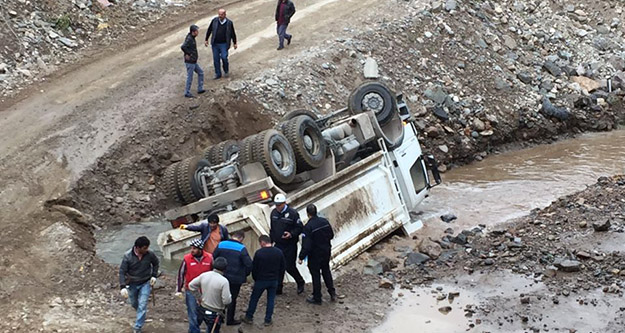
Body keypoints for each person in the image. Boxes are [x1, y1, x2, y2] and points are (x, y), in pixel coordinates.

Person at [242, 235, 285, 326]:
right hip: (273, 280)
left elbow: (255, 268)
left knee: (254, 299)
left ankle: (249, 317)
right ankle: (268, 320)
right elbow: (282, 267)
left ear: (262, 242)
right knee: (271, 300)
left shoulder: (259, 253)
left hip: (261, 280)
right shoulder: (279, 252)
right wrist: (278, 278)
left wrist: (255, 278)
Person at [119, 236, 160, 333]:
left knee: (142, 304)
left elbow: (156, 263)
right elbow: (122, 271)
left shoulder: (150, 254)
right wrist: (122, 286)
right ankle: (141, 314)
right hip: (132, 283)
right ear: (138, 247)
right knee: (134, 303)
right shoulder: (127, 256)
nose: (147, 250)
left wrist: (154, 275)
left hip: (145, 282)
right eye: (145, 248)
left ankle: (137, 328)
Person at [298, 204, 336, 305]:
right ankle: (332, 292)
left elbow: (307, 245)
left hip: (315, 255)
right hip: (326, 251)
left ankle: (317, 297)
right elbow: (331, 235)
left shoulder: (308, 227)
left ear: (307, 214)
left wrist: (301, 257)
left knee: (315, 275)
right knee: (326, 271)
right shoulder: (324, 221)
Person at [212, 231, 253, 326]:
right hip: (236, 279)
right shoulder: (242, 248)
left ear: (232, 236)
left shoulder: (221, 244)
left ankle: (219, 318)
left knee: (219, 296)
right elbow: (249, 264)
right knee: (232, 298)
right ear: (242, 238)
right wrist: (245, 275)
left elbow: (213, 258)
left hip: (220, 276)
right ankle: (230, 320)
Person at [269, 193, 305, 294]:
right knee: (278, 266)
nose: (278, 207)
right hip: (278, 244)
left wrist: (291, 234)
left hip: (290, 245)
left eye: (279, 205)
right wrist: (270, 241)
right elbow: (272, 229)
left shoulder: (293, 214)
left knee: (289, 266)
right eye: (276, 205)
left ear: (284, 203)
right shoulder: (274, 213)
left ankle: (300, 282)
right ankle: (278, 287)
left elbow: (299, 227)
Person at [176, 239, 213, 333]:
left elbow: (214, 274)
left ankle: (194, 328)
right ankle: (194, 330)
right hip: (191, 290)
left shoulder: (210, 258)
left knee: (204, 313)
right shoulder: (187, 259)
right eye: (191, 248)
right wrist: (179, 289)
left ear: (200, 249)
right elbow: (181, 274)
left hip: (206, 291)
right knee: (192, 313)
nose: (192, 250)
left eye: (194, 248)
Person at [188, 257, 231, 333]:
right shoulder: (224, 281)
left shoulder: (204, 275)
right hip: (215, 312)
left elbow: (191, 285)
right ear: (225, 268)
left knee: (196, 325)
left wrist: (199, 297)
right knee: (213, 330)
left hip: (202, 308)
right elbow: (227, 300)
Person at [204, 9, 237, 79]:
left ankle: (226, 70)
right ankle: (218, 73)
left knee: (224, 57)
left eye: (221, 15)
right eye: (219, 14)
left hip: (224, 44)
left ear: (225, 15)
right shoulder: (214, 21)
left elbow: (232, 33)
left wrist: (235, 43)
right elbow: (209, 30)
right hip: (215, 43)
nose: (220, 16)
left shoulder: (229, 23)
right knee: (216, 59)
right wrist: (206, 39)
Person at [180, 24, 205, 98]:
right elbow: (183, 47)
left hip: (193, 61)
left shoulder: (191, 38)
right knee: (190, 77)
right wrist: (188, 53)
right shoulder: (189, 39)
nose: (198, 32)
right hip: (190, 62)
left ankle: (200, 89)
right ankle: (187, 92)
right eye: (197, 31)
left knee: (201, 73)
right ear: (193, 32)